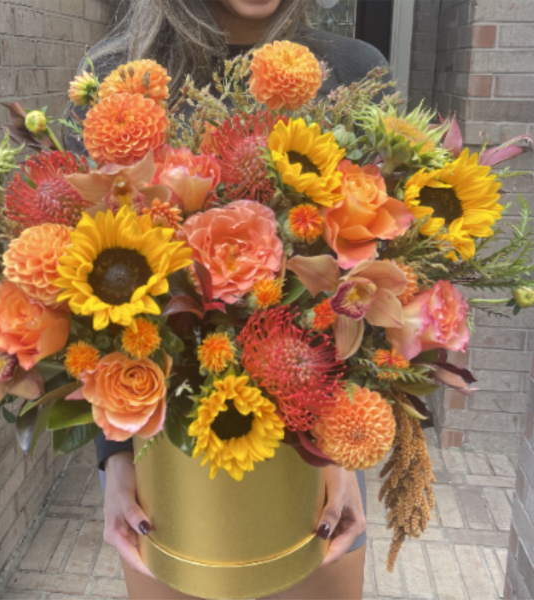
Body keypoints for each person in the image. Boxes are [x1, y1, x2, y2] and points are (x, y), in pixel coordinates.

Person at [65, 1, 390, 598]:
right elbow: (80, 299)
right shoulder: (118, 74)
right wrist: (115, 459)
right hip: (167, 475)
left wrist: (339, 454)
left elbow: (376, 279)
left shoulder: (353, 69)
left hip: (317, 466)